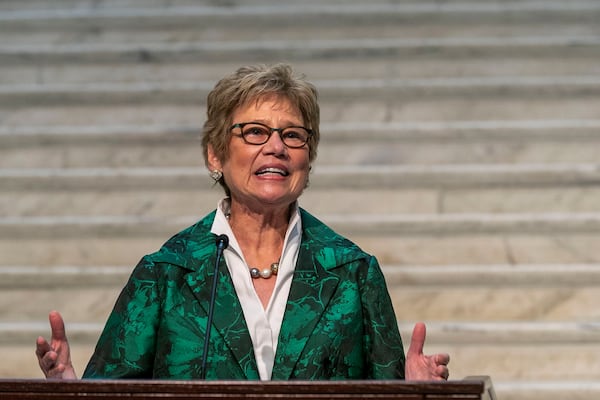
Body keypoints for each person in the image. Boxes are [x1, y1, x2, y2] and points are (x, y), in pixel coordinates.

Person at [36, 63, 450, 381]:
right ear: (215, 154)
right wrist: (75, 392)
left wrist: (413, 393)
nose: (275, 147)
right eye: (254, 132)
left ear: (309, 157)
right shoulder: (166, 273)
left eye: (293, 135)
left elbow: (388, 392)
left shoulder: (353, 272)